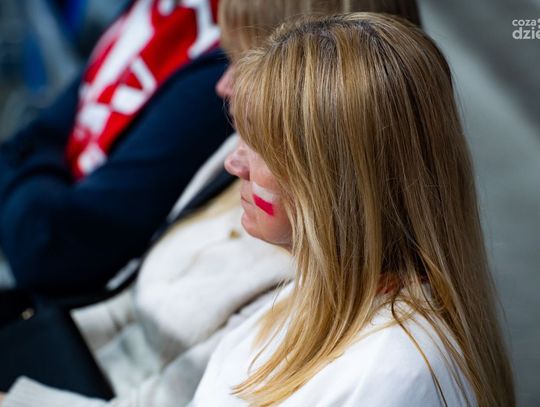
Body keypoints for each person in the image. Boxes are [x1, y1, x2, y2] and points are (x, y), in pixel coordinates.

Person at [0, 3, 425, 407]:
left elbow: (49, 243)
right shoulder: (254, 181)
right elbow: (120, 297)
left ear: (327, 156)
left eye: (238, 59)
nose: (219, 85)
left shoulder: (318, 295)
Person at [189, 13, 515, 406]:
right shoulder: (314, 297)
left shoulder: (392, 374)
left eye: (260, 147)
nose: (234, 164)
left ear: (331, 180)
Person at [0, 0, 232, 295]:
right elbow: (26, 143)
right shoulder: (154, 10)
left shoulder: (219, 67)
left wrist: (24, 178)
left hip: (90, 304)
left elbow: (50, 247)